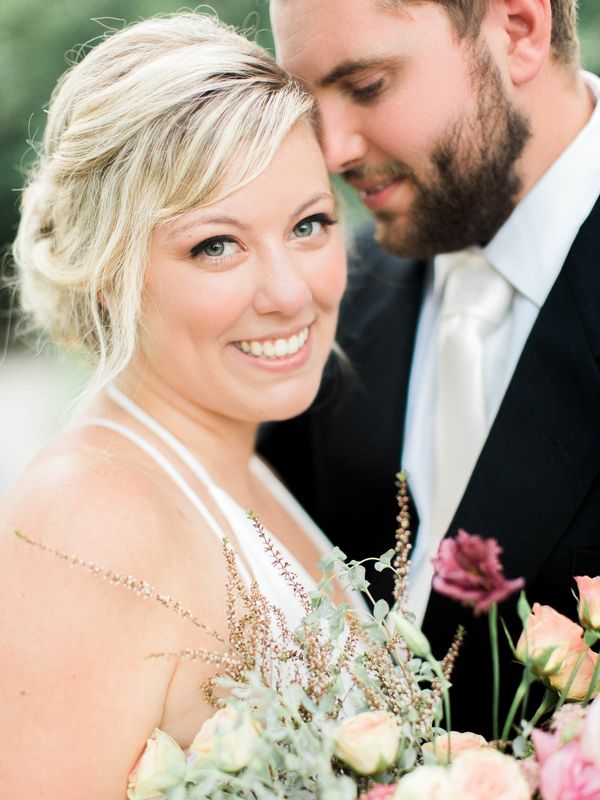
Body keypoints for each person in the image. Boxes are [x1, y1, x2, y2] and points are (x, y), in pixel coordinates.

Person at [0, 13, 349, 798]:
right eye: (215, 245)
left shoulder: (250, 467)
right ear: (108, 266)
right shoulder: (88, 520)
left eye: (308, 225)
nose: (290, 293)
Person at [262, 0, 600, 734]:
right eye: (306, 100)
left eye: (367, 84)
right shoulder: (317, 308)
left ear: (518, 30)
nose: (331, 150)